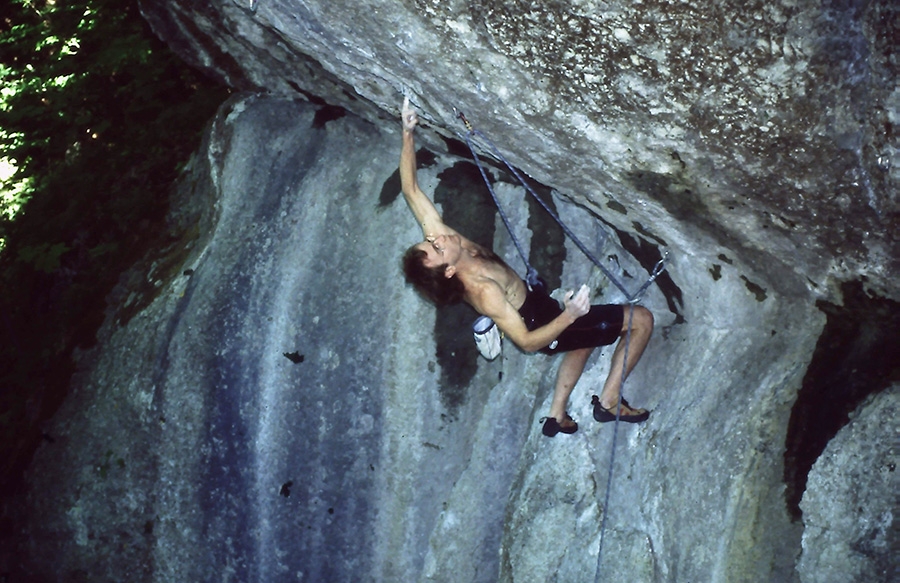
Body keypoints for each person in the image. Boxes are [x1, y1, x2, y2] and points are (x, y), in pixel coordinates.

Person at [398, 97, 654, 437]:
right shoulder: (483, 290)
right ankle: (609, 403)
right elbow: (528, 342)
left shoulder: (446, 241)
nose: (435, 238)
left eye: (430, 241)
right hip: (540, 323)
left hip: (536, 303)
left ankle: (555, 415)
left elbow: (411, 189)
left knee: (587, 337)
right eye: (434, 247)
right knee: (641, 320)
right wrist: (569, 315)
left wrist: (407, 132)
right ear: (447, 271)